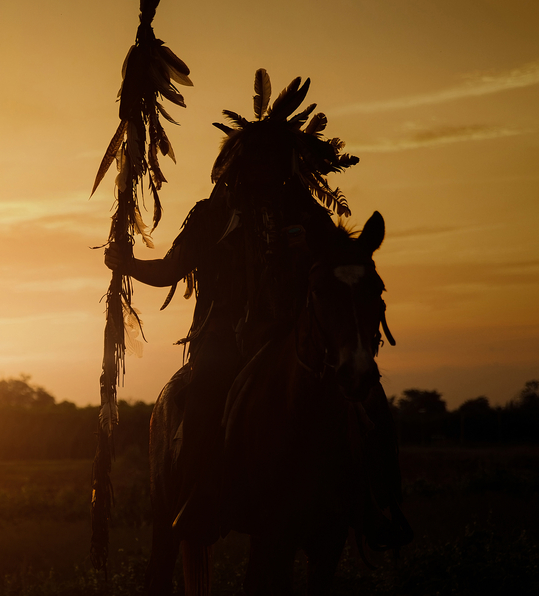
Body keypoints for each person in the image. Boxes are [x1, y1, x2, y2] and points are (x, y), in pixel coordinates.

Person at [105, 71, 409, 549]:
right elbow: (170, 269)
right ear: (240, 163)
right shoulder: (212, 215)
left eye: (275, 158)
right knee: (206, 389)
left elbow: (339, 263)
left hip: (295, 332)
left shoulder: (307, 215)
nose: (267, 169)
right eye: (258, 158)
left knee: (369, 400)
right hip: (224, 333)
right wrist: (127, 264)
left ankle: (380, 503)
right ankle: (201, 495)